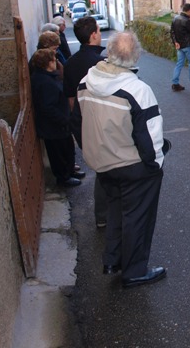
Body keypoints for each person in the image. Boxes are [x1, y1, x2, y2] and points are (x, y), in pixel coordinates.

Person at [77, 31, 167, 289]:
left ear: (109, 52)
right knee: (137, 216)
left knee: (115, 210)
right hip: (132, 165)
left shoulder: (86, 82)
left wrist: (92, 150)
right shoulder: (137, 90)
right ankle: (134, 271)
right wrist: (155, 165)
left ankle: (113, 260)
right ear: (136, 56)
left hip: (102, 162)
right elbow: (149, 135)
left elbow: (77, 121)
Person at [63, 15, 106, 227]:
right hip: (103, 124)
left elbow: (71, 100)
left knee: (101, 170)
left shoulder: (70, 63)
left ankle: (103, 216)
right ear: (93, 35)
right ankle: (109, 216)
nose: (100, 33)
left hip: (82, 124)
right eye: (98, 30)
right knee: (110, 171)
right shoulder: (101, 64)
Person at [30, 49, 82, 187]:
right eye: (54, 60)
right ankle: (63, 178)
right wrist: (63, 119)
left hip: (60, 124)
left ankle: (70, 171)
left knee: (67, 149)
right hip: (54, 127)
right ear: (48, 63)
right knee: (58, 153)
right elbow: (47, 107)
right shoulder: (44, 81)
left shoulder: (48, 77)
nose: (56, 62)